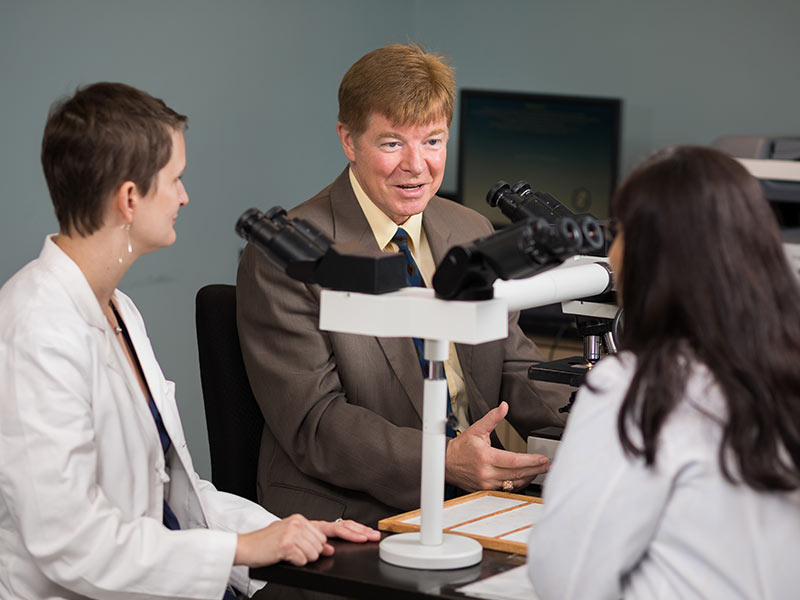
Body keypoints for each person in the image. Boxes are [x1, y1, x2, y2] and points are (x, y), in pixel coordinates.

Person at [0, 82, 379, 600]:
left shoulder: (118, 309)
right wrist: (243, 551)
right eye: (175, 179)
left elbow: (178, 494)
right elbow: (69, 542)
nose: (185, 195)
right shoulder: (36, 328)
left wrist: (289, 530)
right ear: (129, 198)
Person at [236, 42, 570, 528]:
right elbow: (317, 422)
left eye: (432, 141)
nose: (417, 165)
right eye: (392, 143)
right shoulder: (290, 254)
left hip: (475, 495)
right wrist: (443, 459)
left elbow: (514, 365)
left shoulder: (469, 228)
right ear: (348, 141)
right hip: (350, 512)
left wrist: (597, 434)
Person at [527, 146, 800, 599]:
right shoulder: (783, 371)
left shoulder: (636, 387)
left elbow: (564, 578)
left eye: (620, 232)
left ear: (649, 259)